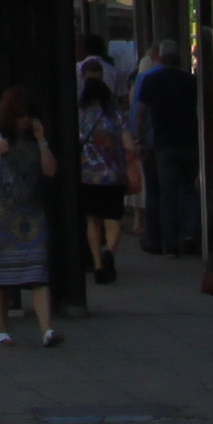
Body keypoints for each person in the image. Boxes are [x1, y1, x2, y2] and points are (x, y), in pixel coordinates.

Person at [0, 81, 59, 347]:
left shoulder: (34, 138)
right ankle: (2, 328)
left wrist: (42, 140)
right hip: (1, 217)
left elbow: (51, 170)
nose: (25, 121)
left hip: (32, 216)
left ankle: (47, 329)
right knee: (1, 277)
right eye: (20, 116)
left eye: (29, 116)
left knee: (39, 273)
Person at [130, 42, 203, 260]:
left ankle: (169, 244)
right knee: (189, 190)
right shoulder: (190, 80)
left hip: (163, 144)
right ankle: (191, 235)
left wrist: (141, 139)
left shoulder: (151, 80)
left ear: (160, 58)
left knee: (167, 195)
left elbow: (141, 113)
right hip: (189, 142)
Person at [70, 57, 129, 289]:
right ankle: (110, 252)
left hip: (87, 175)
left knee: (92, 220)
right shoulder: (116, 116)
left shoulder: (80, 116)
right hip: (113, 176)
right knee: (113, 219)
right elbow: (129, 144)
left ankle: (96, 263)